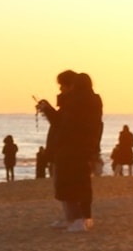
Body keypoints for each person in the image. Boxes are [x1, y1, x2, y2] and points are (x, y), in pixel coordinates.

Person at [37, 69, 101, 230]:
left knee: (75, 183)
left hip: (74, 149)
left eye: (63, 86)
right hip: (73, 148)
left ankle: (80, 219)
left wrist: (48, 110)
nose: (61, 89)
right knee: (67, 183)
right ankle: (72, 218)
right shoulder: (82, 102)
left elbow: (64, 124)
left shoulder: (78, 102)